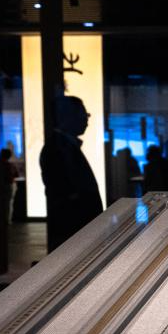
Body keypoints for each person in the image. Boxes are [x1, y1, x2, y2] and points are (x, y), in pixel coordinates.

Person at [40, 95, 103, 252]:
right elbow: (65, 193)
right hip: (73, 230)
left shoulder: (63, 146)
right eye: (83, 114)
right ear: (67, 117)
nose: (86, 120)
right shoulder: (59, 148)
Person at [0, 148, 19, 224]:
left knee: (3, 203)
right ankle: (7, 219)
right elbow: (16, 175)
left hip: (3, 185)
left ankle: (3, 219)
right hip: (10, 184)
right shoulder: (10, 165)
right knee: (9, 203)